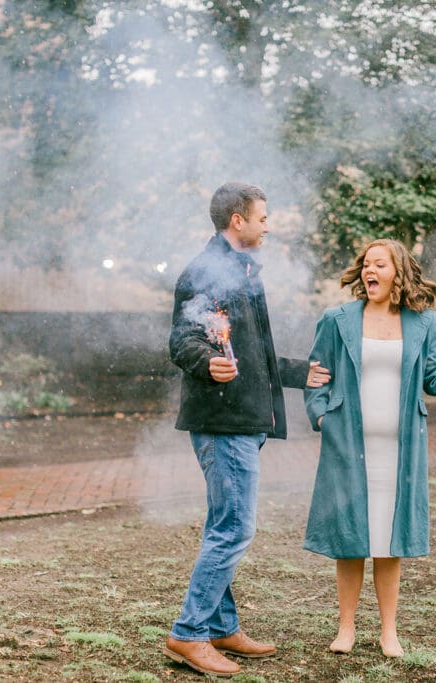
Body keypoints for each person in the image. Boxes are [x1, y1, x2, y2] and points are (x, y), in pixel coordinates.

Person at [303, 238, 436, 658]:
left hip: (399, 452)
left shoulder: (422, 322)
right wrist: (321, 417)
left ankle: (389, 631)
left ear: (398, 273)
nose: (368, 271)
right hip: (347, 446)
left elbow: (433, 378)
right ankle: (346, 628)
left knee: (388, 540)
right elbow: (316, 377)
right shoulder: (337, 319)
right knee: (350, 538)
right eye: (365, 264)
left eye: (379, 264)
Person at [163, 182, 329, 678]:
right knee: (235, 529)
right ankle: (188, 634)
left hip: (243, 421)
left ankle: (220, 625)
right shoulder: (204, 272)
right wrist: (206, 360)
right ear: (238, 220)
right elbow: (181, 339)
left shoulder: (242, 270)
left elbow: (252, 355)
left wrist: (300, 373)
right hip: (224, 423)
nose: (267, 225)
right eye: (262, 217)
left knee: (224, 526)